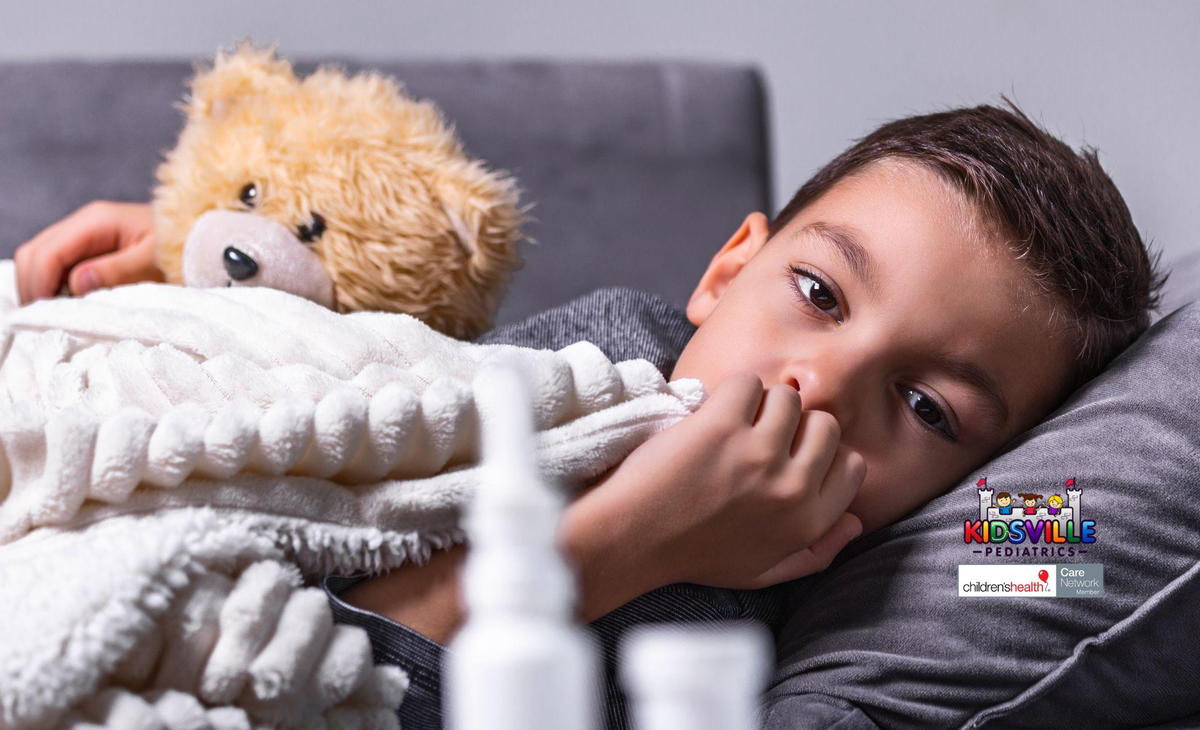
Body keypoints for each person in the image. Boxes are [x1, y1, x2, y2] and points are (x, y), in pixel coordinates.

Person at [13, 99, 1165, 728]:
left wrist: (1013, 507)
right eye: (817, 295)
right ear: (726, 272)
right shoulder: (604, 365)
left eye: (922, 404)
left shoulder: (895, 567)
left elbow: (1095, 543)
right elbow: (292, 631)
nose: (818, 385)